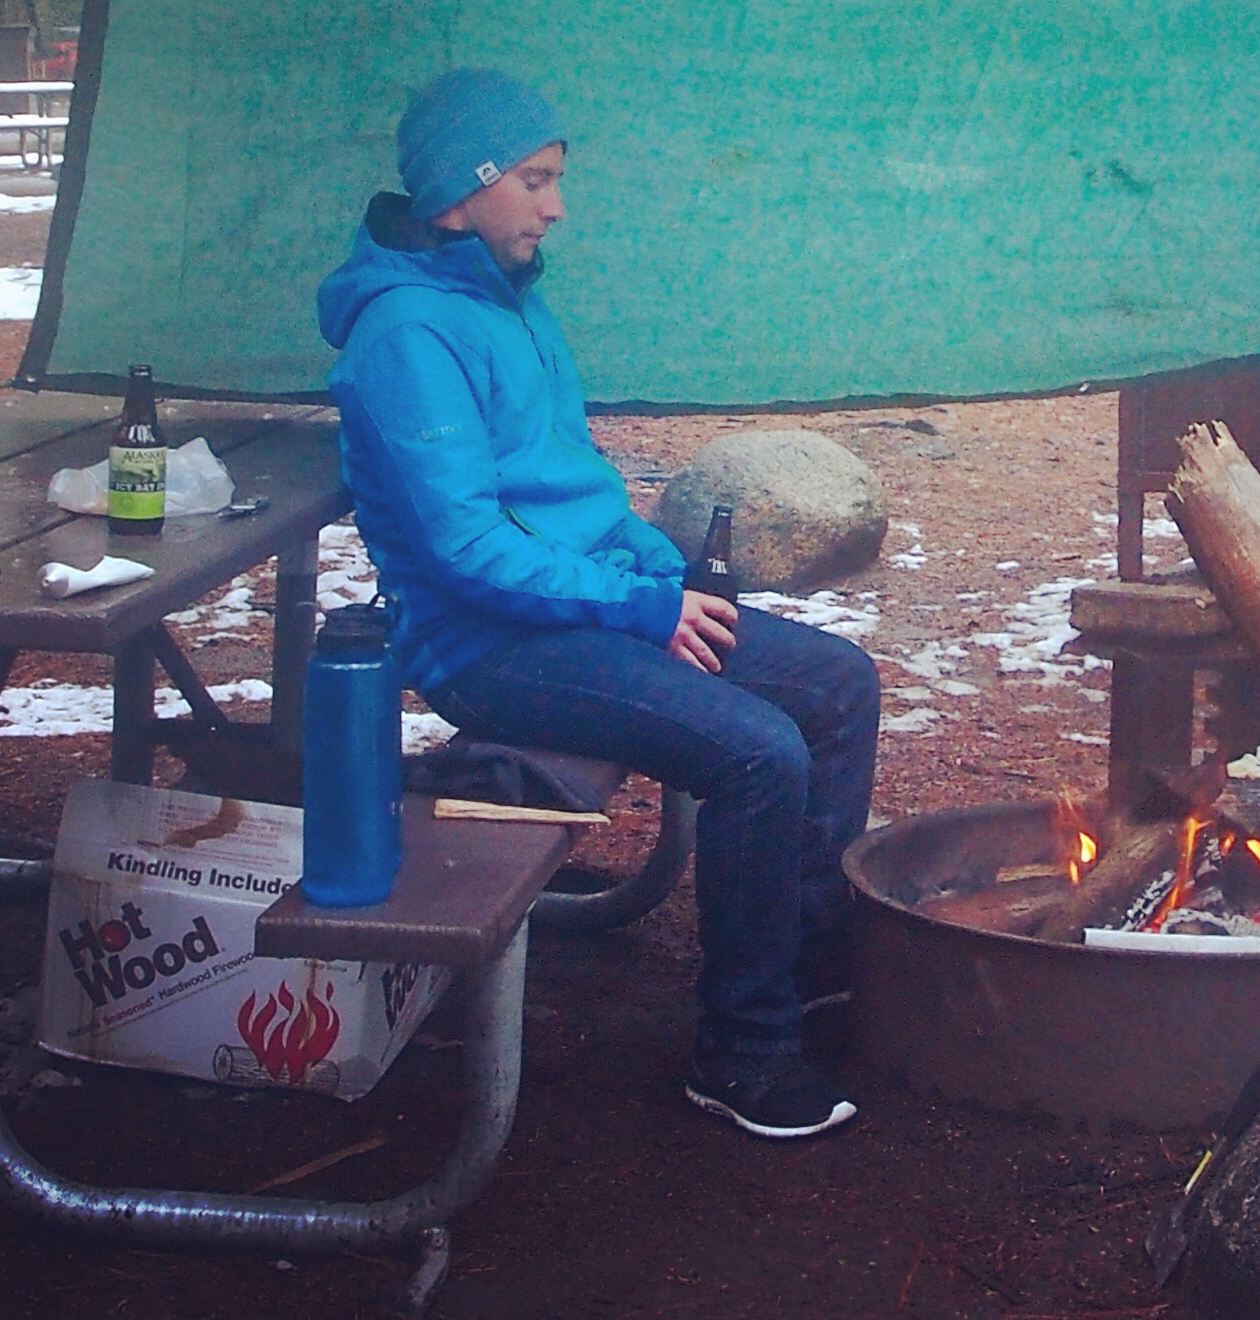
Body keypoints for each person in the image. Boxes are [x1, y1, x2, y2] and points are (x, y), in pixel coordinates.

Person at [317, 67, 880, 1140]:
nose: (557, 206)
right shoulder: (406, 337)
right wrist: (639, 609)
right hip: (487, 649)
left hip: (582, 609)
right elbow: (468, 551)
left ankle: (807, 973)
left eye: (556, 179)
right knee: (759, 753)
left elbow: (577, 495)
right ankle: (744, 1050)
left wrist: (658, 575)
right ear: (460, 193)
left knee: (839, 685)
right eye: (534, 180)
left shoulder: (510, 302)